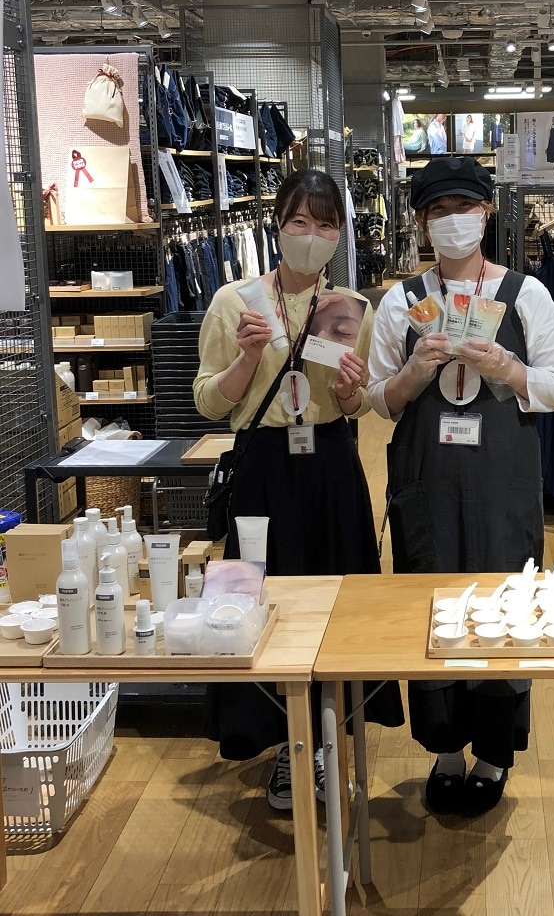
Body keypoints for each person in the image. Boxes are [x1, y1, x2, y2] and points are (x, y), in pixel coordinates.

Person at [368, 156, 554, 816]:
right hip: (426, 482)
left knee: (504, 607)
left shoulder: (526, 294)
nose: (452, 220)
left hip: (502, 482)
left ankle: (493, 755)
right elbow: (380, 400)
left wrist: (510, 368)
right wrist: (414, 372)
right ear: (421, 222)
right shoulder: (401, 301)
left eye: (464, 207)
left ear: (486, 213)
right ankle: (446, 750)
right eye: (437, 210)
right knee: (431, 606)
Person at [194, 168, 402, 810]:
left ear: (340, 235)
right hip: (263, 468)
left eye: (326, 224)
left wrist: (350, 391)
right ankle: (285, 743)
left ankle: (329, 732)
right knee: (263, 597)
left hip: (331, 463)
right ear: (278, 225)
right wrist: (246, 359)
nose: (312, 235)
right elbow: (208, 402)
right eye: (300, 221)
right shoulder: (235, 302)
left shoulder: (351, 309)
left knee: (337, 596)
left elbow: (355, 405)